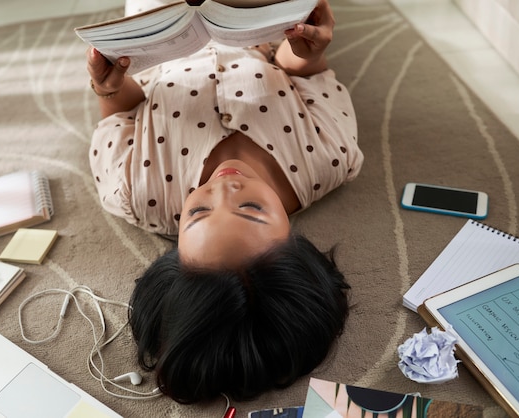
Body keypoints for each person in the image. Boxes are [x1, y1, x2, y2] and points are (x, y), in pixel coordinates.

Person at [86, 0, 364, 404]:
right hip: (255, 23)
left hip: (154, 41)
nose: (222, 189)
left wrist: (107, 85)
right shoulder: (331, 157)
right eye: (251, 209)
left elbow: (122, 112)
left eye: (197, 212)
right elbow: (301, 71)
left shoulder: (134, 194)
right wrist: (309, 50)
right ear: (295, 244)